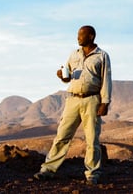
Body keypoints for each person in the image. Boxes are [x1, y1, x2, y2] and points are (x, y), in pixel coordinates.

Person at [33, 25, 112, 185]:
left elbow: (106, 80)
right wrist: (62, 76)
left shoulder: (102, 56)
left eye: (81, 35)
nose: (78, 38)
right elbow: (67, 77)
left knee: (92, 140)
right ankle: (47, 170)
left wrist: (105, 102)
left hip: (92, 100)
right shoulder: (73, 55)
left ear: (91, 36)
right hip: (73, 99)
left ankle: (92, 174)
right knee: (62, 136)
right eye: (78, 35)